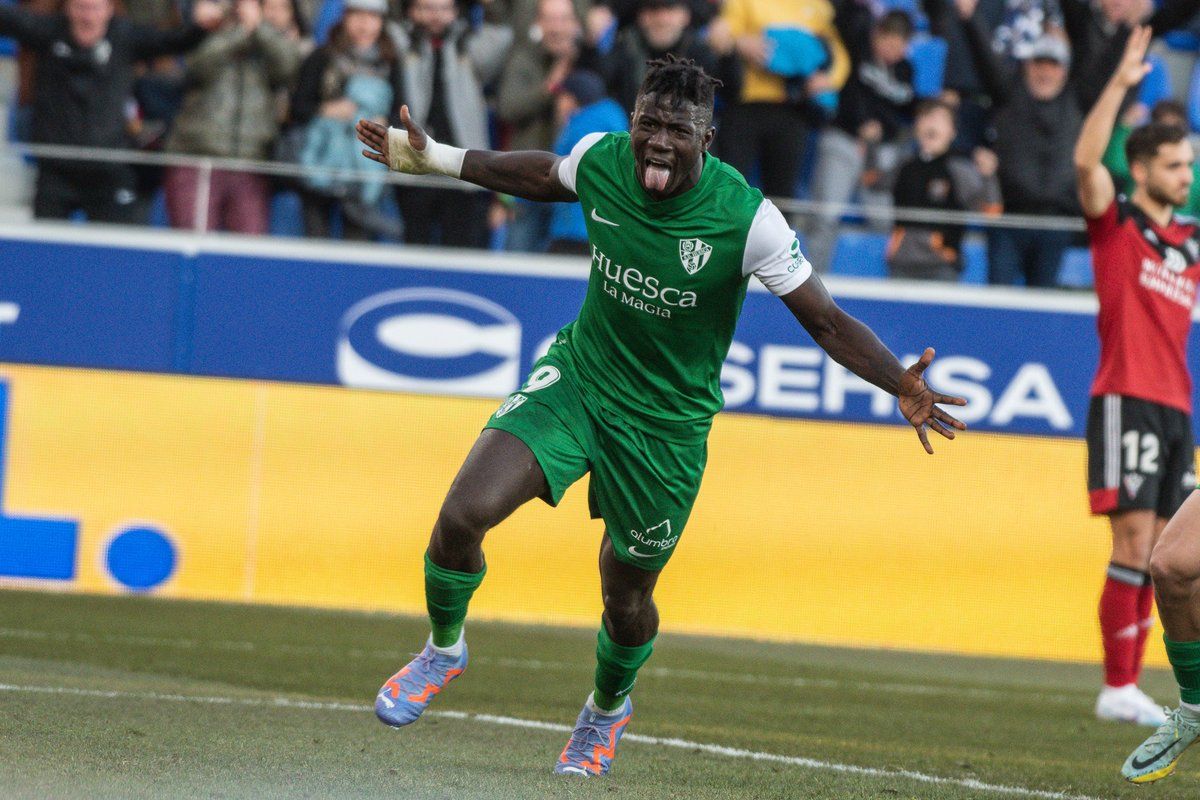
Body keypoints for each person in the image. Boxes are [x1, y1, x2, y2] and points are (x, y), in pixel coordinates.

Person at [355, 55, 967, 776]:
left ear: (707, 139)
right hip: (579, 381)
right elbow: (537, 174)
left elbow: (827, 322)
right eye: (648, 122)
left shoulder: (748, 221)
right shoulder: (603, 159)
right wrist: (438, 159)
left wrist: (899, 381)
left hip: (666, 429)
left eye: (677, 129)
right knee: (462, 515)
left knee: (626, 596)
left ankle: (606, 712)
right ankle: (443, 650)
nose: (657, 142)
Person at [1074, 28, 1200, 750]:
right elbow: (1085, 160)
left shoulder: (1188, 241)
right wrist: (1121, 82)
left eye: (1190, 164)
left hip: (1178, 407)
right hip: (1125, 396)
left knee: (1170, 550)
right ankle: (1118, 687)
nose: (1186, 175)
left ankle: (1138, 683)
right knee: (1133, 539)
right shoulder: (1117, 224)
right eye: (1175, 165)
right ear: (1143, 166)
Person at [0, 0, 223, 223]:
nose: (88, 17)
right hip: (56, 167)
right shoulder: (48, 32)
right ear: (67, 8)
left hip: (108, 167)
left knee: (113, 249)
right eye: (81, 8)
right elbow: (8, 20)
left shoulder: (125, 37)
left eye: (95, 8)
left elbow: (174, 42)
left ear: (109, 10)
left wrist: (200, 27)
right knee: (46, 249)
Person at [164, 0, 302, 233]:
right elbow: (196, 67)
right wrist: (239, 32)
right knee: (193, 248)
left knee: (246, 256)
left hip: (252, 160)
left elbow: (289, 67)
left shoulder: (269, 35)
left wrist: (258, 28)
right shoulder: (205, 23)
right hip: (197, 156)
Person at [390, 0, 512, 247]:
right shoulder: (404, 44)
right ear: (413, 11)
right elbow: (388, 21)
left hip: (462, 168)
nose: (436, 16)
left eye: (444, 8)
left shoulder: (468, 46)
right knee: (415, 249)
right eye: (427, 8)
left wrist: (489, 6)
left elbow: (502, 35)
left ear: (456, 12)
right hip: (416, 169)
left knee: (463, 249)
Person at [803, 8, 916, 273]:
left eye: (899, 46)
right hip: (843, 138)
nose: (891, 50)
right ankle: (811, 279)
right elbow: (845, 15)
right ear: (876, 34)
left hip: (882, 152)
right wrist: (861, 124)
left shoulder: (906, 70)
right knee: (826, 213)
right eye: (887, 42)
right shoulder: (857, 47)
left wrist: (882, 129)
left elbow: (904, 113)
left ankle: (880, 282)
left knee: (882, 220)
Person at [291, 0, 400, 240]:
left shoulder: (391, 63)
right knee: (316, 244)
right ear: (344, 18)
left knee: (358, 247)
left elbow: (403, 116)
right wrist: (325, 109)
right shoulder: (322, 57)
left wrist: (386, 123)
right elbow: (297, 107)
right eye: (358, 16)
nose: (364, 25)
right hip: (320, 166)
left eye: (372, 17)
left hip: (365, 172)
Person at [886, 98, 1001, 281]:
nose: (932, 123)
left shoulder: (960, 170)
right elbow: (871, 184)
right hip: (901, 264)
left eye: (940, 119)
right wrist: (870, 144)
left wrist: (988, 177)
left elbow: (991, 211)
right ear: (916, 126)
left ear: (953, 132)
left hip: (941, 267)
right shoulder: (903, 164)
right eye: (926, 117)